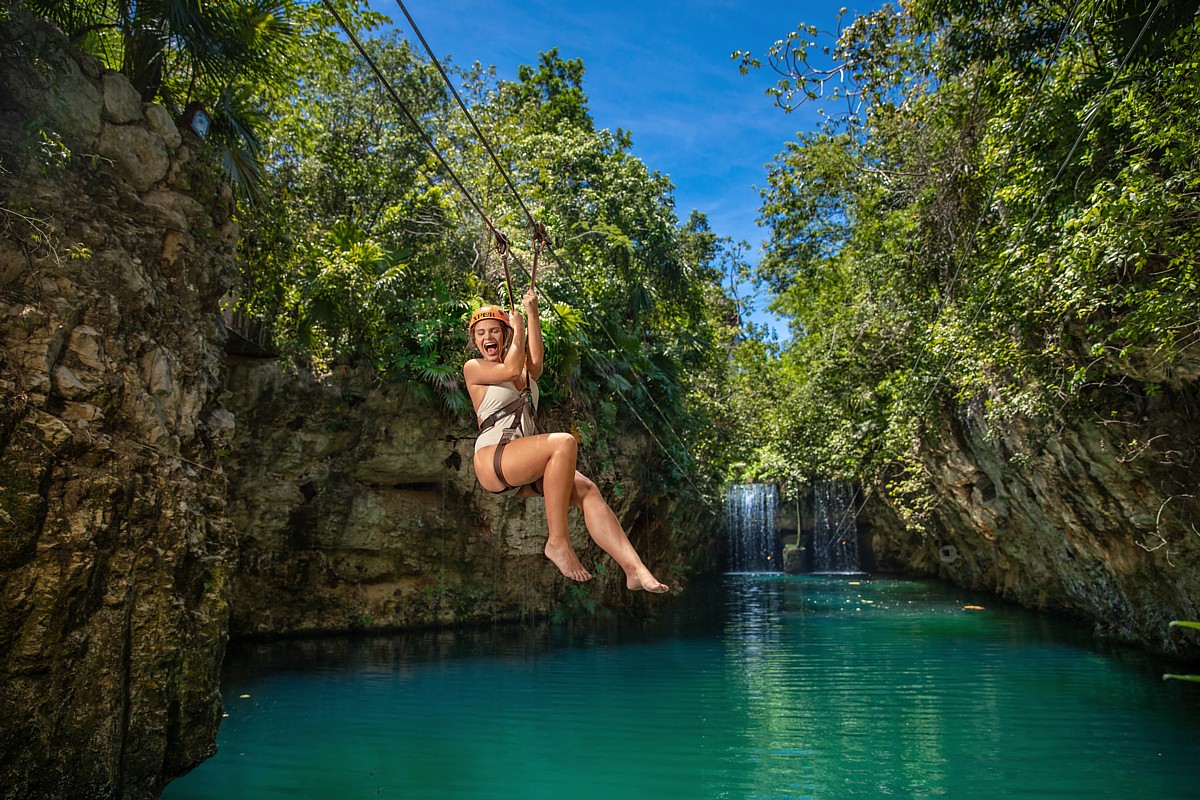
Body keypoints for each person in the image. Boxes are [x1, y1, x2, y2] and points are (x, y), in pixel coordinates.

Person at [464, 287, 669, 593]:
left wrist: (531, 312)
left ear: (503, 337)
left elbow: (534, 365)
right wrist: (516, 328)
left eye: (495, 331)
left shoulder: (522, 372)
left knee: (587, 490)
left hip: (519, 466)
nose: (487, 337)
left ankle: (635, 569)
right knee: (563, 443)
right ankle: (558, 542)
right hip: (493, 458)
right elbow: (510, 367)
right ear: (476, 341)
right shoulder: (475, 368)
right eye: (481, 333)